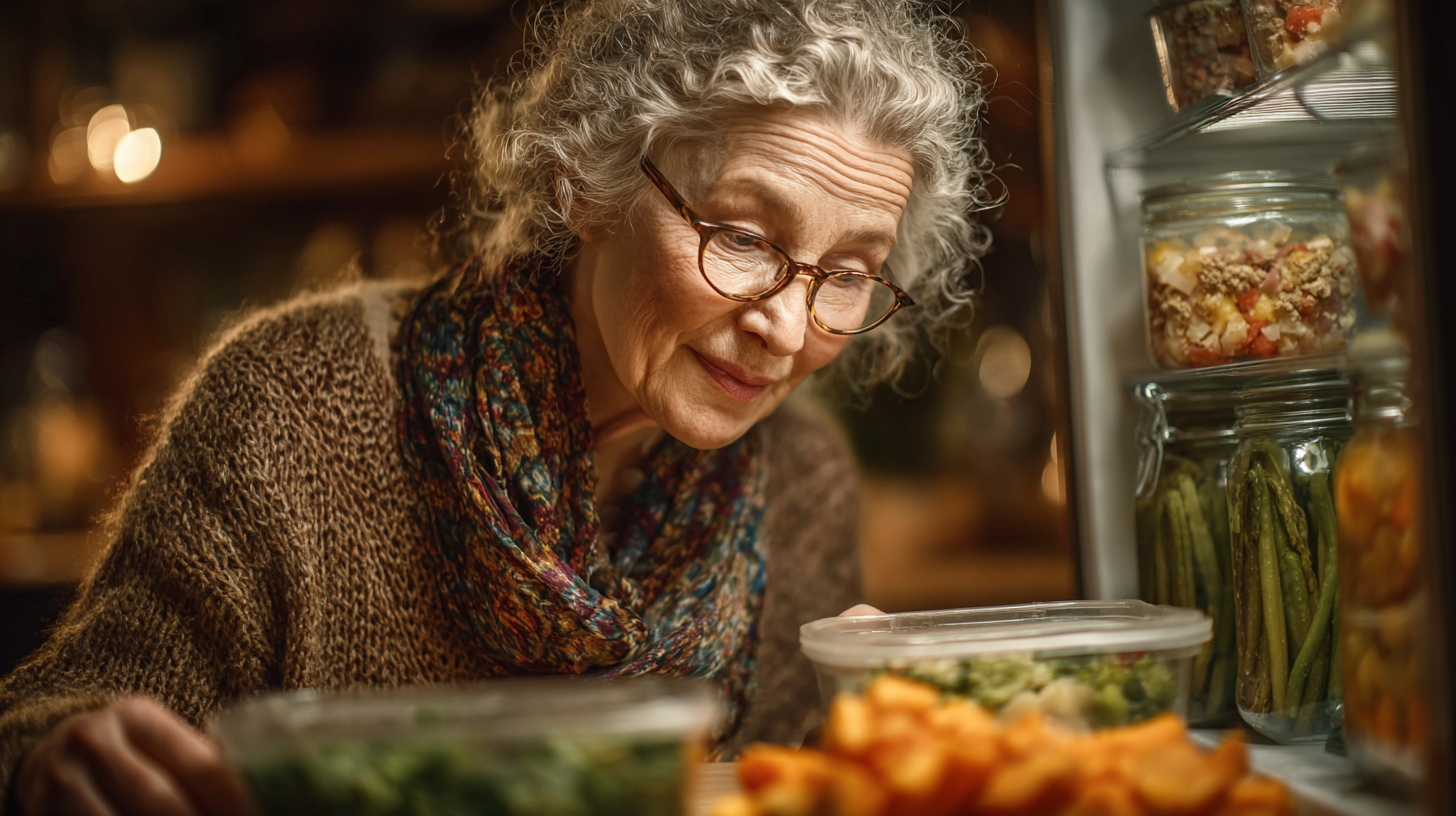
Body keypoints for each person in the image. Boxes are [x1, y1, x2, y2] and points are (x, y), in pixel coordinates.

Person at [0, 0, 992, 812]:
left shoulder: (801, 481)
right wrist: (59, 760)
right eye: (741, 234)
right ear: (588, 182)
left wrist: (863, 760)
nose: (786, 326)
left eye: (849, 270)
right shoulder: (290, 407)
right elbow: (43, 739)